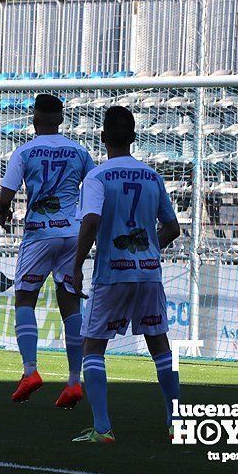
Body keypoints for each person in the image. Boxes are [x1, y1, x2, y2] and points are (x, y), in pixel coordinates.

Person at [71, 106, 181, 442]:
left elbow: (90, 222)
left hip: (112, 274)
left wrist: (75, 266)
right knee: (159, 345)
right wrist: (148, 251)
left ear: (102, 137)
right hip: (148, 274)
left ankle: (103, 428)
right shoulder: (152, 176)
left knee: (92, 347)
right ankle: (175, 420)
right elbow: (173, 228)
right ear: (134, 137)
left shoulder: (98, 177)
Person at [0, 94, 95, 408]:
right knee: (70, 306)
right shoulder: (79, 151)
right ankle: (73, 382)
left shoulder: (24, 151)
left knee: (25, 296)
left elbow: (6, 193)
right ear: (62, 120)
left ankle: (30, 371)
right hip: (73, 233)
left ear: (35, 120)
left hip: (40, 233)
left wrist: (4, 213)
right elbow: (94, 188)